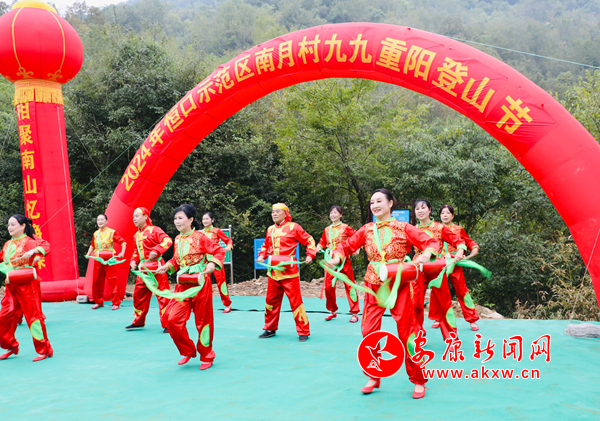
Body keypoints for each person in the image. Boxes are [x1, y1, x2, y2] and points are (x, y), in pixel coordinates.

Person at [327, 189, 440, 399]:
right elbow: (347, 245)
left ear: (390, 204)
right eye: (372, 202)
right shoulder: (367, 229)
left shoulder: (404, 227)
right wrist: (336, 257)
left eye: (379, 201)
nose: (375, 205)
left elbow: (431, 242)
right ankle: (373, 375)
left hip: (400, 284)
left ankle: (418, 379)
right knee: (368, 331)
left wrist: (426, 254)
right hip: (373, 284)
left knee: (408, 333)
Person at [156, 204, 225, 370]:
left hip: (200, 284)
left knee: (203, 321)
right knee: (172, 319)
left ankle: (207, 355)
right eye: (175, 218)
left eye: (180, 218)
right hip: (182, 286)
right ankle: (187, 350)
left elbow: (219, 251)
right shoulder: (177, 239)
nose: (177, 221)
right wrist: (166, 266)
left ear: (191, 220)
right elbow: (176, 260)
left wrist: (211, 265)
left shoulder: (200, 237)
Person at [256, 203, 316, 342]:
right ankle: (270, 328)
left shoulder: (294, 227)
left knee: (296, 302)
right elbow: (266, 246)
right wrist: (262, 255)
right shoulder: (270, 229)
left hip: (289, 272)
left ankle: (303, 331)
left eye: (278, 211)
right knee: (271, 301)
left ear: (285, 213)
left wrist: (310, 254)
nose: (274, 214)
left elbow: (309, 240)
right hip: (273, 272)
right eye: (273, 212)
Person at [0, 215, 53, 361]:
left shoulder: (29, 241)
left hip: (28, 285)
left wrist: (34, 251)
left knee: (34, 318)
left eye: (13, 224)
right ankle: (10, 345)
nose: (10, 227)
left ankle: (44, 349)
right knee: (4, 318)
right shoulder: (7, 244)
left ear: (23, 226)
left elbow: (46, 246)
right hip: (11, 286)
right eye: (8, 225)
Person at [413, 199, 466, 341]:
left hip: (437, 267)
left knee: (444, 303)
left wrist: (460, 251)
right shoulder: (412, 229)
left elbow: (458, 241)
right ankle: (418, 336)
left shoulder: (439, 228)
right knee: (415, 303)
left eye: (423, 208)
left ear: (430, 210)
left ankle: (451, 338)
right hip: (418, 267)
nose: (420, 211)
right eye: (417, 209)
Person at [436, 204, 481, 331]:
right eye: (442, 213)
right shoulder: (436, 229)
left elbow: (468, 241)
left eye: (448, 213)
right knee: (438, 290)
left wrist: (474, 248)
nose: (445, 215)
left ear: (453, 215)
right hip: (440, 264)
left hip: (455, 263)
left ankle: (472, 319)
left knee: (462, 291)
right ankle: (437, 318)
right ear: (439, 215)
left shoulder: (458, 229)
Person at [127, 207, 173, 332]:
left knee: (163, 296)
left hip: (157, 268)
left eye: (137, 216)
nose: (134, 219)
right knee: (139, 295)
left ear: (145, 216)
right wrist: (133, 260)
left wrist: (156, 250)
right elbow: (136, 251)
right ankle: (138, 321)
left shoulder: (155, 230)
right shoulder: (136, 235)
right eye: (133, 217)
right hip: (143, 270)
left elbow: (167, 240)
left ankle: (168, 324)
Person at [316, 206, 360, 323]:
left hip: (344, 260)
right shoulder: (327, 229)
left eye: (335, 213)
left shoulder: (345, 227)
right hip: (330, 260)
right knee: (328, 286)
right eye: (331, 213)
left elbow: (356, 237)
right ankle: (332, 310)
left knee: (349, 285)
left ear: (341, 214)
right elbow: (322, 242)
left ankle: (355, 312)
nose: (333, 215)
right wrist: (318, 247)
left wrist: (356, 248)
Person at [85, 214, 127, 310]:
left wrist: (122, 252)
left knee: (112, 280)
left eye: (102, 219)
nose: (100, 221)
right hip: (98, 258)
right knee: (97, 281)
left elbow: (123, 242)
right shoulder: (96, 233)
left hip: (109, 259)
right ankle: (98, 302)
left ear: (106, 221)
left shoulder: (112, 232)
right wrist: (88, 253)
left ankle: (116, 303)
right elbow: (92, 245)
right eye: (98, 220)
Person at [200, 212, 233, 313]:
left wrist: (229, 247)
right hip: (205, 262)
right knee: (201, 282)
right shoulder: (200, 233)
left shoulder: (216, 231)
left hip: (216, 260)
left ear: (212, 220)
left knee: (221, 282)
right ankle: (199, 305)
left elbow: (228, 240)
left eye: (207, 219)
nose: (205, 221)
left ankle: (227, 304)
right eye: (203, 219)